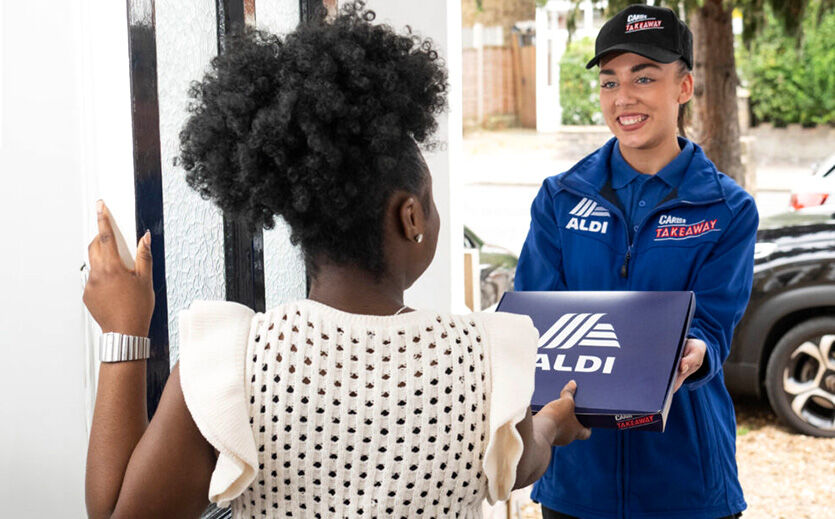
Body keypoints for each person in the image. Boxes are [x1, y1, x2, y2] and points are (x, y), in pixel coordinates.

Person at [82, 3, 590, 518]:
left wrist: (125, 327)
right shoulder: (487, 357)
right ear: (410, 217)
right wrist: (553, 421)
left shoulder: (230, 362)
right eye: (430, 203)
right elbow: (521, 464)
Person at [515, 5, 757, 519]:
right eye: (609, 82)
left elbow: (714, 324)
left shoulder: (727, 209)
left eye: (644, 78)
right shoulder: (560, 198)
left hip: (687, 485)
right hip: (578, 483)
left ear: (684, 88)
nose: (623, 97)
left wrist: (697, 352)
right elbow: (530, 324)